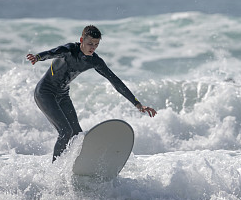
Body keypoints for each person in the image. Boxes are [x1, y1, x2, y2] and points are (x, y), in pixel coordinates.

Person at [26, 25, 157, 162]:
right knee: (65, 132)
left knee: (77, 135)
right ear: (82, 40)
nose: (93, 47)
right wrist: (38, 57)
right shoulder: (70, 50)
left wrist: (138, 104)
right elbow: (52, 52)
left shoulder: (94, 61)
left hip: (63, 95)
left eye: (96, 44)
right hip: (45, 93)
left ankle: (72, 166)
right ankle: (55, 168)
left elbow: (115, 81)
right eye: (90, 44)